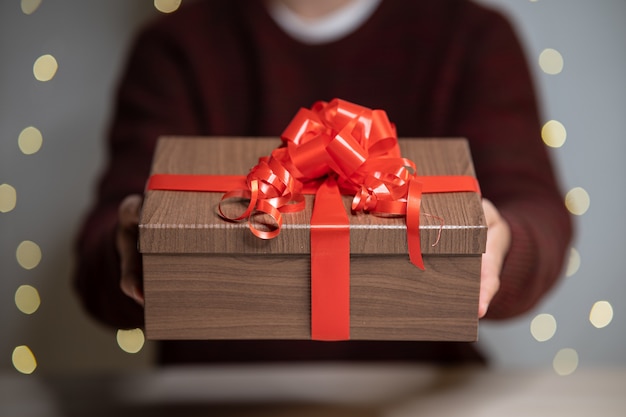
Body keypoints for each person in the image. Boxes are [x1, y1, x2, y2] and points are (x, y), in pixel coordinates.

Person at [74, 0, 572, 364]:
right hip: (211, 391)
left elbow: (536, 211)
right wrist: (129, 252)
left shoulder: (474, 36)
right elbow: (104, 250)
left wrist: (502, 243)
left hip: (421, 390)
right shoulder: (174, 45)